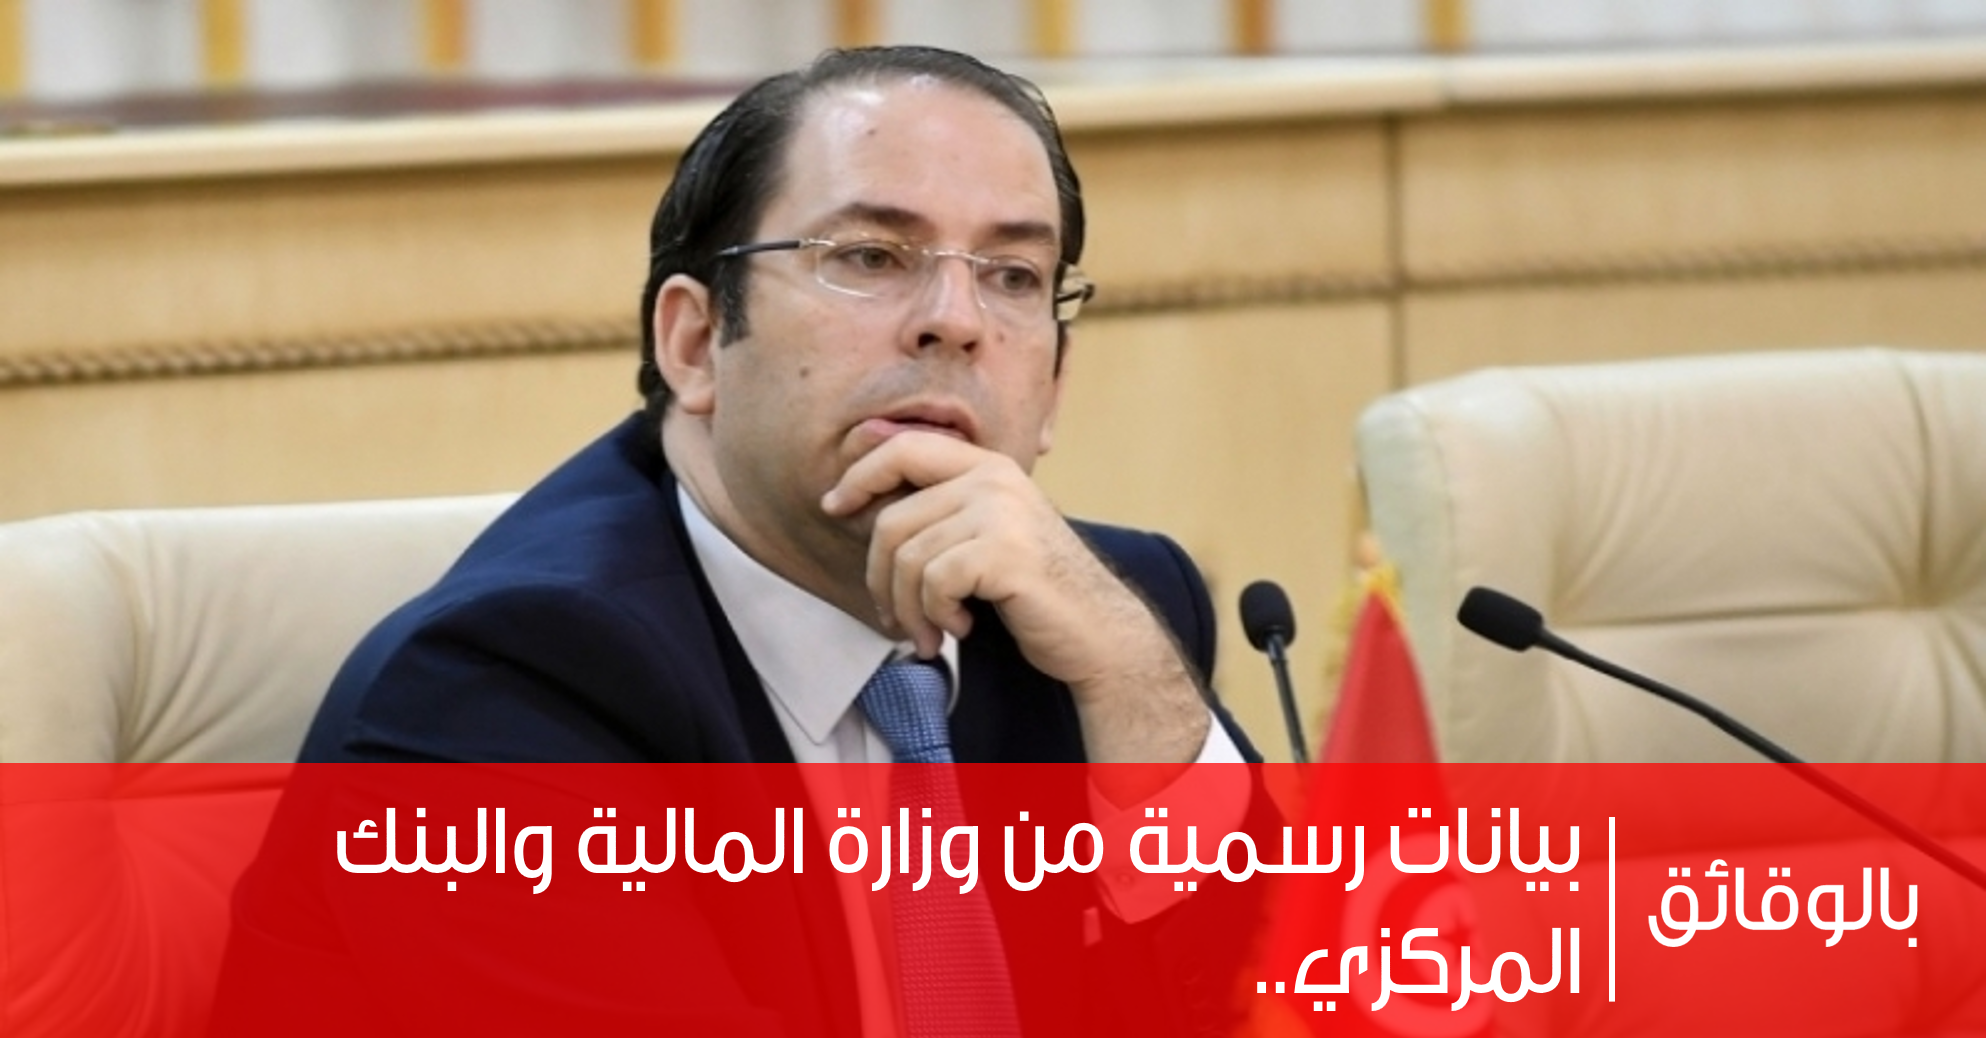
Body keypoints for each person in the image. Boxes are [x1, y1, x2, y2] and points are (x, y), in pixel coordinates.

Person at [217, 46, 1270, 1038]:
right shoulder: (502, 685)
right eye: (870, 256)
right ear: (695, 343)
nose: (956, 320)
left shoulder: (1092, 625)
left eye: (1013, 276)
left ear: (1055, 385)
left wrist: (1140, 685)